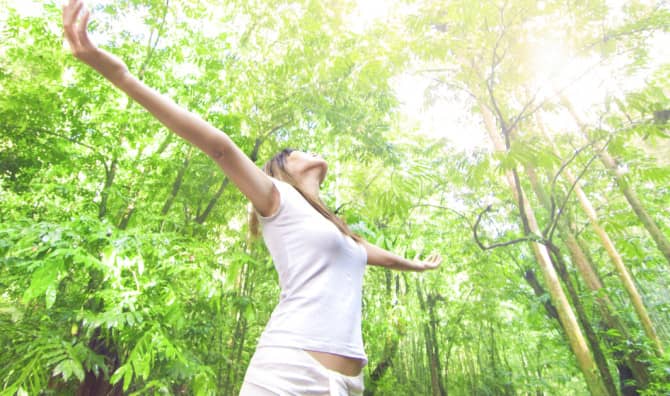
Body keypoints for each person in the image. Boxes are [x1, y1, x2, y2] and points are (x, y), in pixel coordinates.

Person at [62, 1, 442, 395]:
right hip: (288, 370)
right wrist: (119, 73)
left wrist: (419, 266)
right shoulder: (278, 199)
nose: (310, 152)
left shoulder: (342, 234)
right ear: (283, 170)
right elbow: (219, 146)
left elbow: (384, 257)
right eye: (299, 151)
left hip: (347, 384)